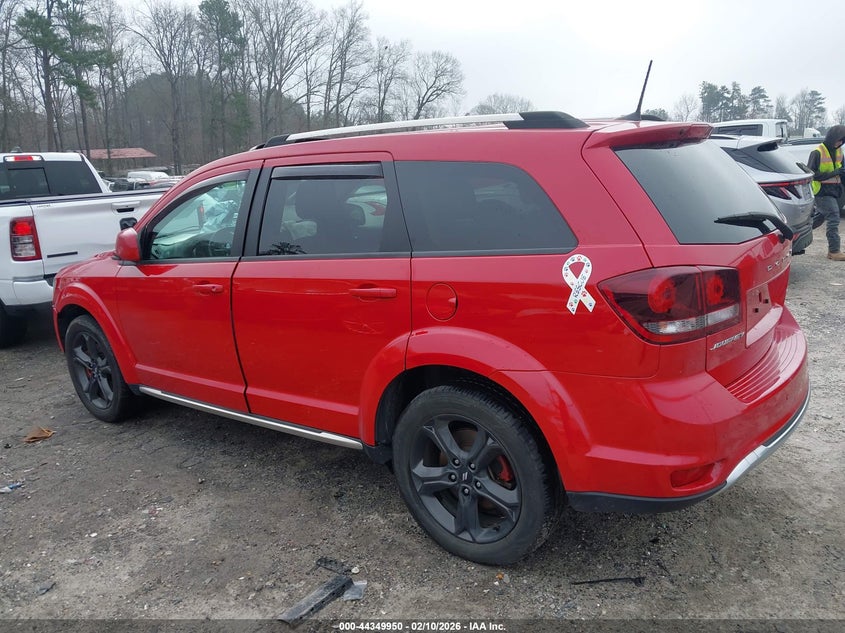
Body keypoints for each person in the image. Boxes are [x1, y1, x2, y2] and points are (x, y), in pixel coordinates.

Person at [807, 125, 845, 260]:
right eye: (839, 140)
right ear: (832, 138)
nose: (839, 143)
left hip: (835, 191)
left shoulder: (839, 152)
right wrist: (834, 172)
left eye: (842, 141)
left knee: (818, 219)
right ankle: (834, 251)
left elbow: (842, 171)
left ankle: (794, 236)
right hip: (822, 192)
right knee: (834, 217)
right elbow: (812, 174)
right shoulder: (817, 152)